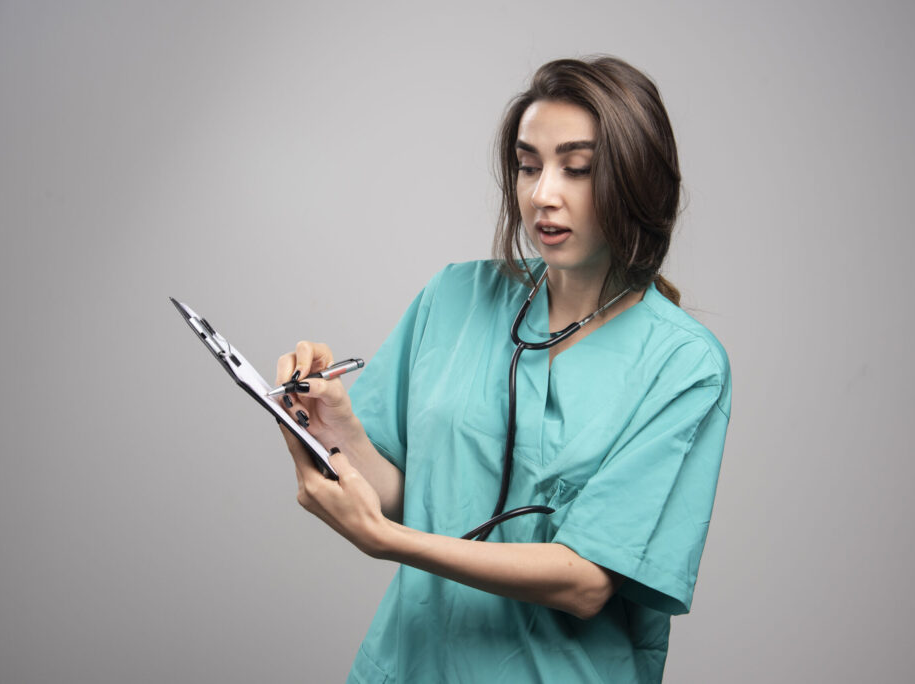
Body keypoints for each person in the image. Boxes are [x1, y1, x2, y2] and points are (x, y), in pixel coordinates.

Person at [275, 56, 731, 683]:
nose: (543, 192)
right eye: (527, 165)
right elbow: (411, 494)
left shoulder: (683, 365)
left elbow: (586, 581)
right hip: (412, 666)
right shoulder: (454, 297)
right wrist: (334, 427)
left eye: (578, 169)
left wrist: (388, 543)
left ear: (637, 183)